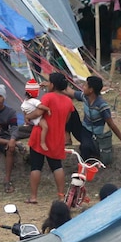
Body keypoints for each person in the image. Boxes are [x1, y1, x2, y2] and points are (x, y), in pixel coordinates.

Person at [25, 73, 75, 205]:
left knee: (36, 166)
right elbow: (67, 119)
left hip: (40, 136)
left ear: (52, 85)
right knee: (57, 166)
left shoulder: (48, 97)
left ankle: (34, 197)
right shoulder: (68, 101)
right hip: (57, 137)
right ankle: (60, 196)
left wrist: (28, 116)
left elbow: (39, 112)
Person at [60, 75, 121, 161]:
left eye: (86, 85)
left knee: (85, 147)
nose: (83, 87)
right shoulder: (85, 97)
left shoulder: (102, 106)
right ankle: (67, 138)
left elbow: (111, 124)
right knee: (70, 109)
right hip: (83, 131)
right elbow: (70, 92)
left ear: (91, 90)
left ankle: (85, 165)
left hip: (94, 136)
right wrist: (59, 83)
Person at [20, 79, 49, 151]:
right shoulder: (34, 101)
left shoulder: (24, 102)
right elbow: (40, 107)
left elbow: (25, 113)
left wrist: (26, 121)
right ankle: (42, 142)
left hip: (32, 120)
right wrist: (48, 109)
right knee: (45, 127)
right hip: (38, 119)